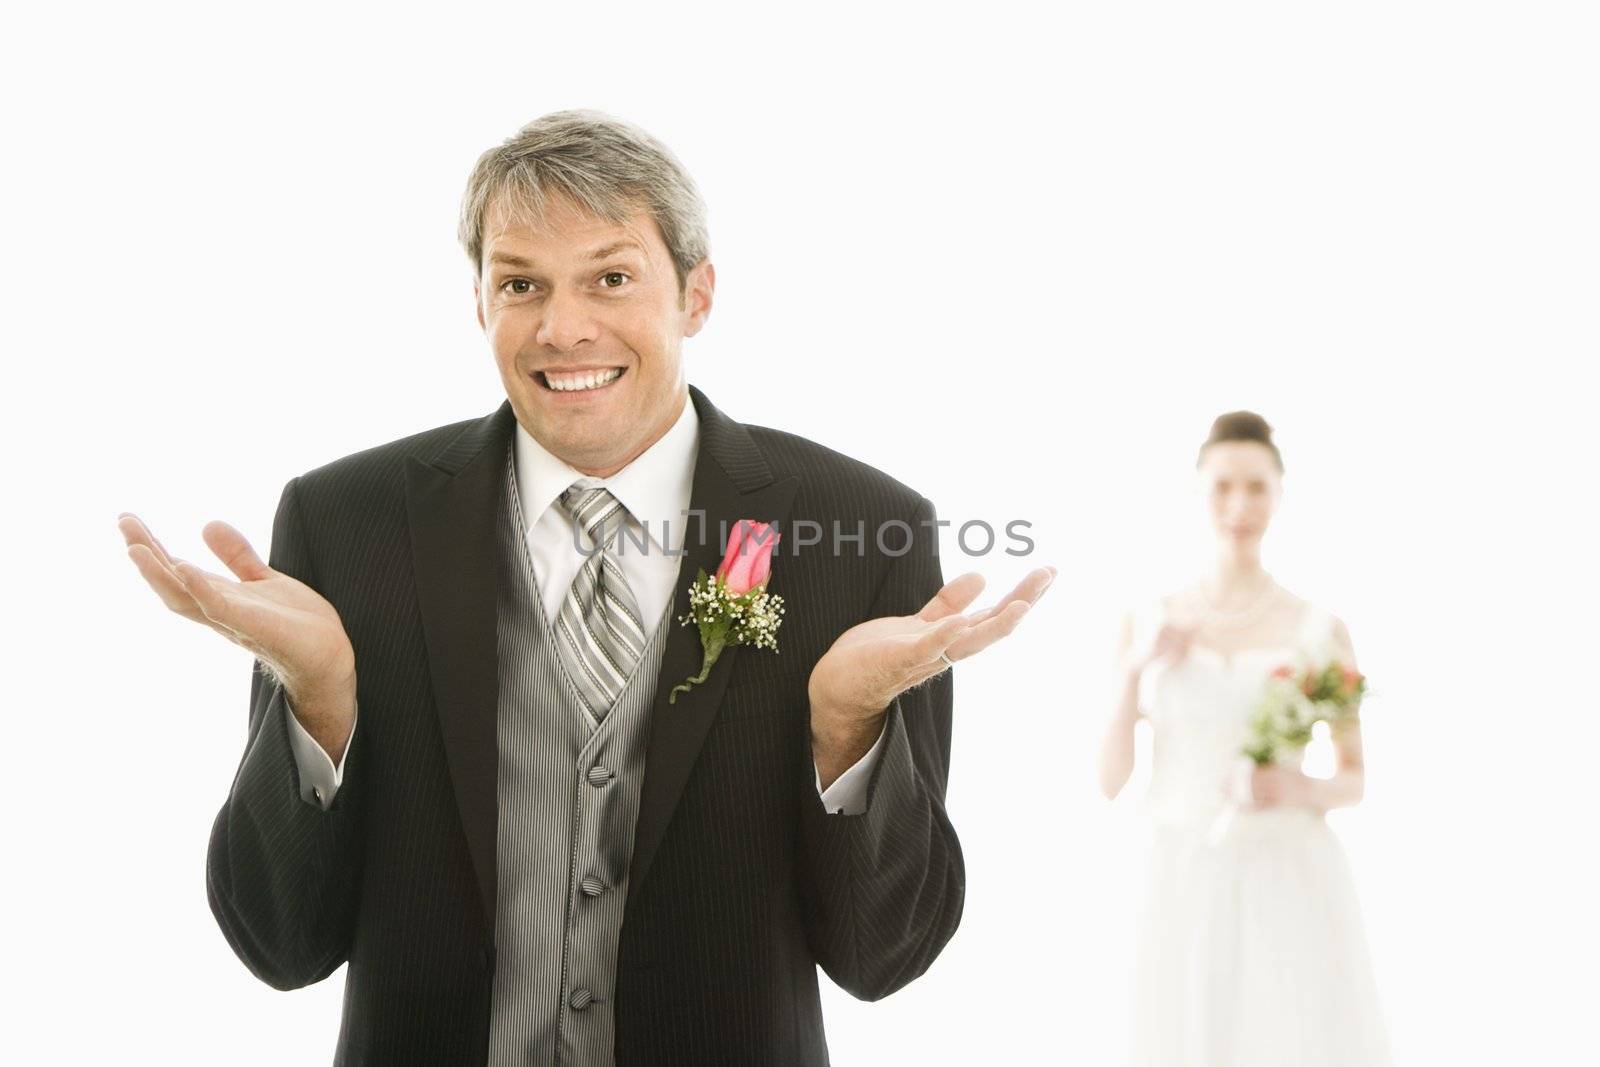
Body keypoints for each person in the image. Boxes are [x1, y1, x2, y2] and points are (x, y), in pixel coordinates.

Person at [118, 109, 1055, 1066]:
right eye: (520, 283)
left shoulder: (863, 529)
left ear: (697, 295)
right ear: (480, 304)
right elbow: (280, 944)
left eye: (611, 277)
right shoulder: (345, 521)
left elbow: (884, 953)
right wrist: (317, 705)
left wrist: (846, 729)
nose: (563, 328)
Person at [1098, 411, 1392, 1066]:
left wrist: (1293, 785)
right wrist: (1134, 671)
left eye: (1256, 487)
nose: (1239, 504)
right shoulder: (1148, 620)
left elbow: (1355, 777)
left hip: (1289, 869)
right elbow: (1110, 779)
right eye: (1223, 486)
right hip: (1177, 868)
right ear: (1199, 491)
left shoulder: (1321, 628)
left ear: (1279, 493)